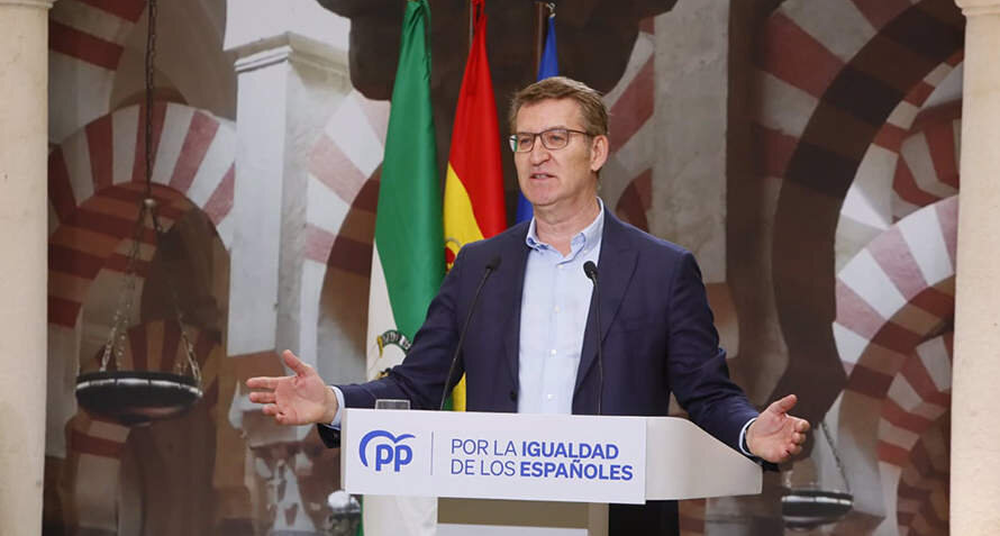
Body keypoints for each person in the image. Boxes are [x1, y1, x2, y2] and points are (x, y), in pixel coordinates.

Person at [248, 76, 810, 534]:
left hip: (618, 520)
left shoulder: (662, 270)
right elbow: (416, 388)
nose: (536, 154)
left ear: (597, 150)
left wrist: (748, 434)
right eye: (523, 140)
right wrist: (333, 404)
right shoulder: (479, 266)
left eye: (556, 138)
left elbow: (706, 391)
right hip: (495, 517)